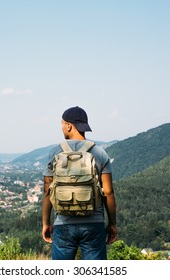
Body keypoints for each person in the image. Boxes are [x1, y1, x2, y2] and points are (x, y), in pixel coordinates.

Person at [42, 106, 118, 260]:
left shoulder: (55, 153)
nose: (62, 127)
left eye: (62, 123)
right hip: (93, 223)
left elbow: (47, 192)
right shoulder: (99, 152)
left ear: (69, 125)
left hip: (63, 223)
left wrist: (46, 223)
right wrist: (112, 224)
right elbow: (108, 192)